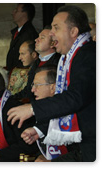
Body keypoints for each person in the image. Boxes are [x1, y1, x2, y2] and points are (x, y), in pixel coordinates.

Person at [7, 5, 96, 162]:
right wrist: (40, 130)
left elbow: (76, 98)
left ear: (73, 31)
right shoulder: (71, 57)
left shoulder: (88, 54)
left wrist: (32, 108)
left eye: (56, 27)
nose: (52, 33)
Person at [12, 26, 61, 101]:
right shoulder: (36, 63)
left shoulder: (58, 64)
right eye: (38, 37)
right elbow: (28, 91)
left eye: (42, 37)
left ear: (52, 43)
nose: (36, 40)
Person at [6, 3, 38, 71]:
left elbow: (29, 59)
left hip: (22, 73)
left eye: (16, 10)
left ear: (24, 14)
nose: (13, 13)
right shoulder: (17, 31)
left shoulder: (30, 33)